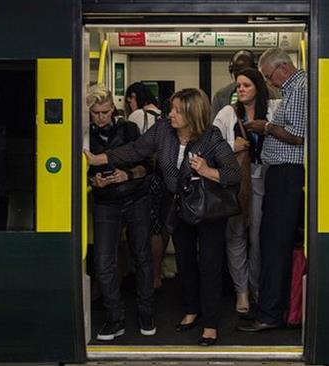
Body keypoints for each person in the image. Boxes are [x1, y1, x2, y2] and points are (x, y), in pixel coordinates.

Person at [84, 88, 240, 346]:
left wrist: (206, 170)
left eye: (177, 110)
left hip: (207, 210)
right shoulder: (163, 130)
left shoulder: (211, 137)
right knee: (185, 262)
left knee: (210, 266)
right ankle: (192, 310)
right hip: (178, 207)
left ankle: (210, 324)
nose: (171, 114)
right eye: (172, 109)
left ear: (192, 113)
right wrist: (99, 158)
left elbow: (232, 174)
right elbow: (135, 150)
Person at [237, 47, 307, 332]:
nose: (269, 83)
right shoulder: (292, 90)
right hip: (279, 175)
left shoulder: (300, 88)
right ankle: (269, 309)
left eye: (268, 76)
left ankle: (270, 314)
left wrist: (266, 128)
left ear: (282, 67)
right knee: (270, 241)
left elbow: (300, 136)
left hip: (288, 175)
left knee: (275, 244)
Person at [85, 84, 155, 341]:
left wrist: (127, 174)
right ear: (89, 113)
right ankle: (115, 317)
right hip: (105, 201)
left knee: (142, 257)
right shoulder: (83, 135)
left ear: (113, 109)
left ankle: (146, 313)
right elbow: (84, 173)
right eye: (96, 113)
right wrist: (95, 182)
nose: (101, 117)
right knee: (104, 262)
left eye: (105, 111)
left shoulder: (129, 129)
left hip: (135, 197)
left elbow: (147, 166)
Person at [212, 67, 281, 316]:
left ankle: (257, 287)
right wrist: (233, 145)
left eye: (246, 85)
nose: (240, 89)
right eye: (238, 85)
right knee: (236, 235)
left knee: (259, 238)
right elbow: (211, 144)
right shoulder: (228, 113)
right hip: (236, 182)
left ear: (258, 88)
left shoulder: (273, 110)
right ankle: (241, 291)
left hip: (265, 179)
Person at [124, 82, 171, 289]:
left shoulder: (137, 117)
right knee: (163, 224)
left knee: (150, 227)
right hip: (165, 177)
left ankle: (151, 275)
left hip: (146, 177)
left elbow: (132, 149)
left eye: (129, 99)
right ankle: (159, 269)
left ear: (134, 97)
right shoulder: (164, 116)